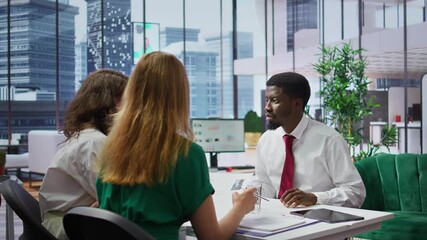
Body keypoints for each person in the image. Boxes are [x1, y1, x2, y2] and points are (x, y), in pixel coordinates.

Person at [96, 51, 257, 240]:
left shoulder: (110, 151)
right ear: (180, 96)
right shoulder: (187, 154)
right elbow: (212, 237)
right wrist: (240, 207)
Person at [39, 69, 128, 239]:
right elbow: (117, 201)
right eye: (127, 101)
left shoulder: (86, 136)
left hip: (67, 220)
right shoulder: (95, 142)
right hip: (69, 227)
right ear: (110, 103)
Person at [256, 72, 366, 208]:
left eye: (275, 101)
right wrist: (248, 194)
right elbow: (264, 183)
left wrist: (315, 198)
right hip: (278, 218)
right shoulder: (266, 140)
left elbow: (355, 192)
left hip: (319, 221)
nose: (267, 107)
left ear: (297, 104)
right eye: (267, 100)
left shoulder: (330, 140)